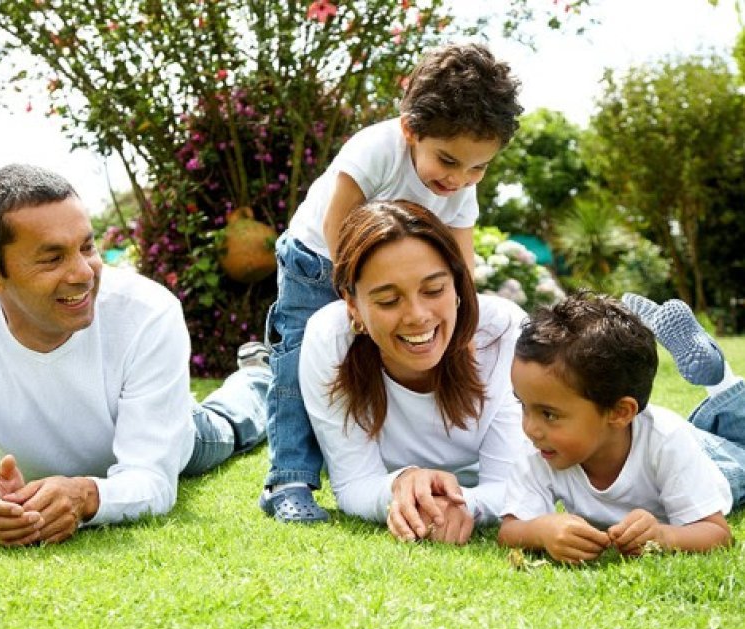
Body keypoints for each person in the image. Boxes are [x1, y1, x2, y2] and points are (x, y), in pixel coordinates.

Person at [0, 164, 269, 547]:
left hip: (171, 430)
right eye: (52, 258)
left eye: (87, 247)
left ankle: (258, 377)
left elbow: (152, 478)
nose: (84, 273)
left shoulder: (147, 311)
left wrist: (85, 496)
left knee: (226, 426)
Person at [261, 42, 524, 522]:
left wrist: (462, 319)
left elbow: (461, 263)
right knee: (296, 361)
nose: (461, 178)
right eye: (447, 160)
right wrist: (355, 299)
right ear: (411, 130)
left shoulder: (462, 187)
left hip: (390, 277)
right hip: (319, 260)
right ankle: (289, 480)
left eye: (478, 167)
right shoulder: (377, 148)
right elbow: (339, 221)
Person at [299, 200, 527, 543]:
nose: (417, 315)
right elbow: (353, 483)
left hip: (468, 486)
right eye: (389, 300)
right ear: (352, 305)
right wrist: (400, 484)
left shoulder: (502, 332)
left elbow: (511, 483)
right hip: (299, 390)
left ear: (457, 286)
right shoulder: (330, 338)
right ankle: (254, 381)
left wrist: (462, 505)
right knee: (254, 408)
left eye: (434, 290)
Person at [498, 292, 745, 563]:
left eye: (549, 414)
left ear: (619, 412)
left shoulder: (666, 441)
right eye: (523, 406)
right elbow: (510, 530)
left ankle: (720, 379)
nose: (531, 428)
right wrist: (540, 531)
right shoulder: (542, 446)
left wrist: (664, 536)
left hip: (716, 463)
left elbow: (717, 533)